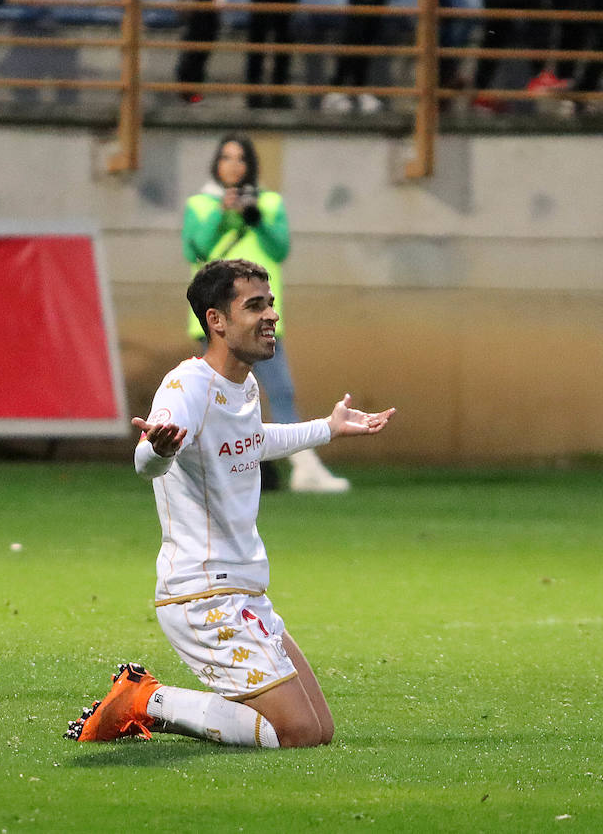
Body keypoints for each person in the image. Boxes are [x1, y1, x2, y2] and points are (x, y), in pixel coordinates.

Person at [66, 259, 395, 748]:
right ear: (216, 320)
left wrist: (328, 427)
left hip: (243, 591)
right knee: (296, 733)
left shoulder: (242, 384)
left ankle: (150, 700)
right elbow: (146, 460)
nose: (271, 316)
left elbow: (253, 440)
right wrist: (158, 449)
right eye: (255, 306)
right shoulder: (187, 386)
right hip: (201, 595)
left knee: (319, 731)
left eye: (272, 304)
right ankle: (146, 700)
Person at [182, 134, 348, 492]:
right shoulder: (200, 203)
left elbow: (280, 246)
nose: (234, 165)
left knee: (280, 390)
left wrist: (254, 216)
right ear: (217, 163)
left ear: (251, 165)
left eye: (241, 159)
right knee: (213, 396)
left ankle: (304, 466)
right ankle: (207, 464)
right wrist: (222, 214)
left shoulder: (270, 201)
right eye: (226, 157)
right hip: (219, 319)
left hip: (263, 318)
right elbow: (195, 249)